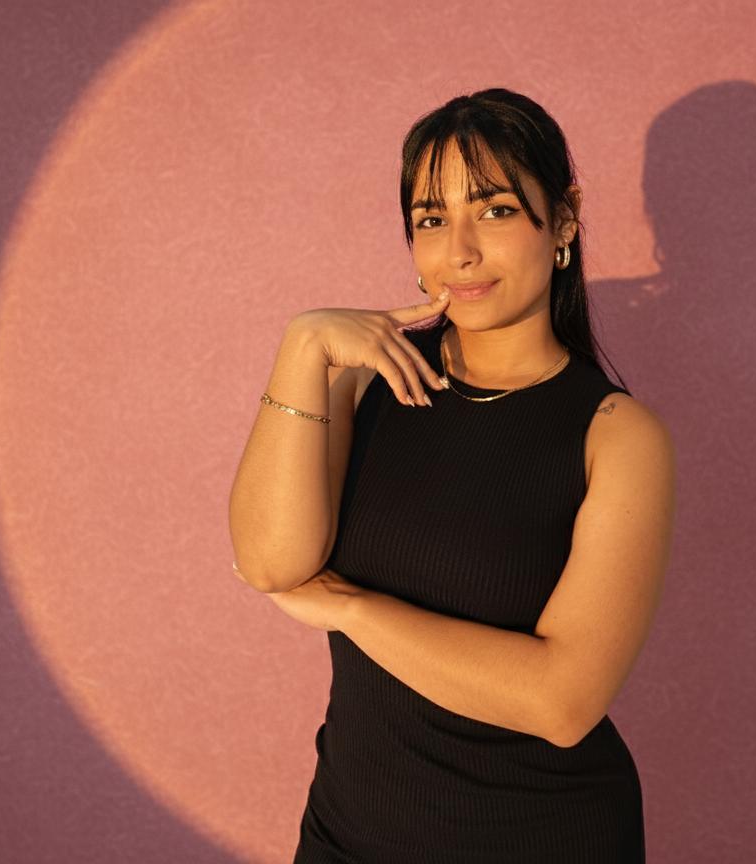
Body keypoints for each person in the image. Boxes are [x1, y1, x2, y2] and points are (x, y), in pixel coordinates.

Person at [228, 87, 675, 863]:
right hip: (346, 836)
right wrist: (302, 347)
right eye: (432, 219)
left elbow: (562, 702)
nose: (459, 252)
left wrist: (351, 608)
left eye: (495, 210)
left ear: (564, 221)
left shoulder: (618, 437)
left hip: (539, 842)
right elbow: (270, 563)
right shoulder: (363, 378)